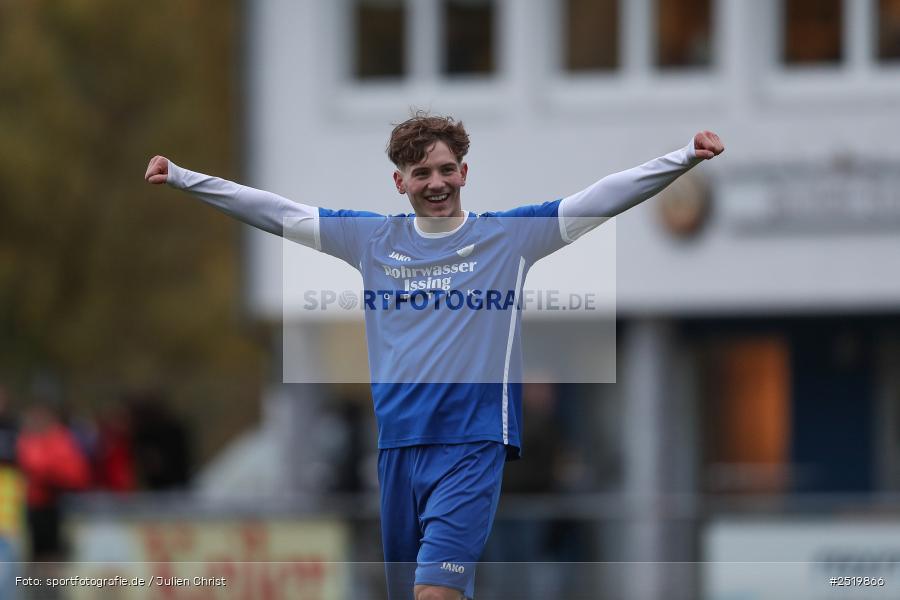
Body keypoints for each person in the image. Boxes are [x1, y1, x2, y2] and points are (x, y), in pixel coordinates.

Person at [145, 113, 724, 600]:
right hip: (398, 449)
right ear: (401, 183)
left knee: (436, 593)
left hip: (472, 445)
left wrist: (683, 158)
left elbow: (604, 196)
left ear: (464, 172)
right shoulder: (371, 240)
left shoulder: (509, 238)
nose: (437, 182)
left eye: (447, 169)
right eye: (422, 172)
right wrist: (182, 178)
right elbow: (276, 213)